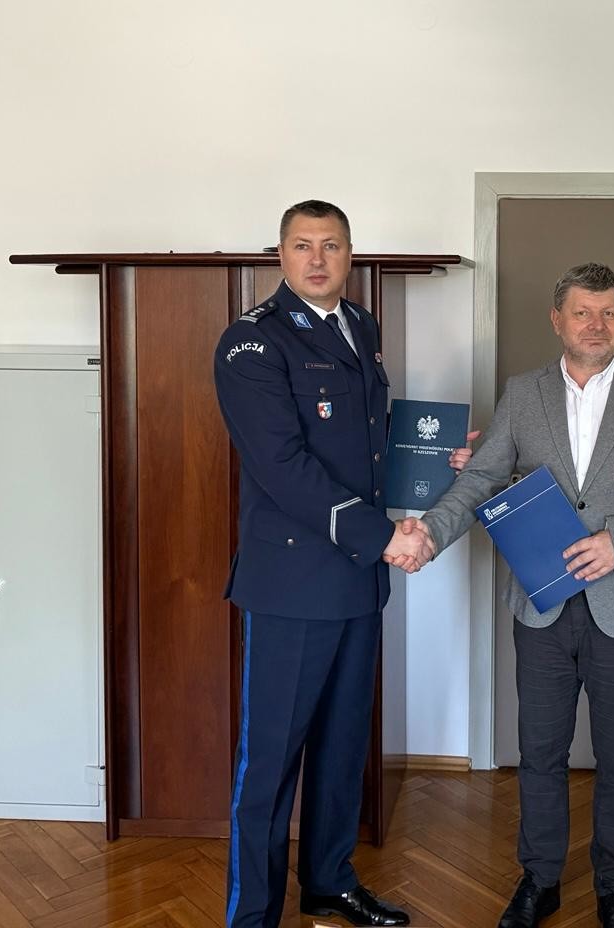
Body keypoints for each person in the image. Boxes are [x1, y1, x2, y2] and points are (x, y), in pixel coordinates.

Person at [409, 262, 614, 928]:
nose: (596, 325)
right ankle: (540, 880)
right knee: (540, 753)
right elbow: (482, 479)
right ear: (557, 320)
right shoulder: (523, 394)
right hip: (541, 607)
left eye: (609, 313)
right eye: (582, 312)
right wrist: (429, 533)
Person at [213, 199, 434, 928]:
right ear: (280, 255)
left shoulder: (358, 325)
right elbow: (283, 466)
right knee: (271, 761)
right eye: (303, 245)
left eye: (331, 245)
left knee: (343, 748)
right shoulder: (252, 343)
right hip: (293, 583)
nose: (317, 258)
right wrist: (384, 537)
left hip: (358, 581)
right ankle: (253, 915)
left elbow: (369, 442)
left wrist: (436, 467)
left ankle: (329, 881)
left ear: (349, 255)